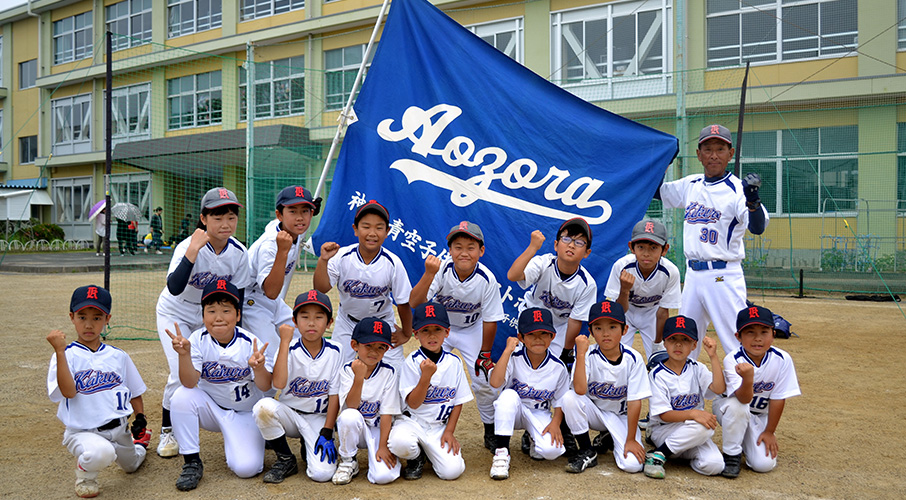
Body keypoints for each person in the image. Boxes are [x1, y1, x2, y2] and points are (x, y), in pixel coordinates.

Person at [154, 187, 252, 459]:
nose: (225, 224)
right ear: (203, 218)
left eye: (231, 217)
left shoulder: (239, 252)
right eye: (217, 217)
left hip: (210, 314)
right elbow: (174, 287)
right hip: (176, 311)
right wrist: (193, 251)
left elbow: (239, 295)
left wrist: (235, 327)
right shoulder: (188, 246)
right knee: (180, 371)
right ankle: (167, 429)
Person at [657, 124, 769, 359]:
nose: (714, 155)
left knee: (733, 339)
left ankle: (744, 392)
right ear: (699, 155)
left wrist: (753, 201)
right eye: (707, 149)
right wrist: (663, 158)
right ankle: (685, 393)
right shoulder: (691, 184)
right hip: (693, 276)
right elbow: (655, 191)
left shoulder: (739, 189)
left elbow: (757, 227)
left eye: (720, 149)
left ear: (731, 154)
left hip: (724, 275)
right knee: (684, 340)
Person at [166, 279, 272, 491]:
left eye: (226, 310)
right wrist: (184, 355)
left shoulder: (251, 343)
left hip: (245, 413)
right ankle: (192, 462)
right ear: (203, 315)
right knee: (180, 396)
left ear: (238, 315)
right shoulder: (197, 339)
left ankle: (255, 436)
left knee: (246, 468)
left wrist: (259, 368)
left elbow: (265, 386)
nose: (219, 318)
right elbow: (189, 382)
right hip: (212, 411)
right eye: (211, 310)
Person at [47, 285, 151, 498]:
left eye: (97, 318)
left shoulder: (118, 355)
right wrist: (59, 351)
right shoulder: (67, 355)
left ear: (107, 320)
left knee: (131, 466)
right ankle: (85, 477)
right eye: (82, 316)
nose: (89, 324)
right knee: (103, 453)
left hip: (120, 430)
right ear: (72, 317)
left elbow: (134, 390)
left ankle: (140, 443)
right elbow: (68, 392)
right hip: (83, 433)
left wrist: (140, 417)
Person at [409, 221, 505, 451]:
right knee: (425, 372)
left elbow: (491, 319)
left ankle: (490, 428)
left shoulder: (487, 279)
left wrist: (484, 353)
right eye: (458, 246)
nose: (464, 252)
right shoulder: (441, 271)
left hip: (472, 329)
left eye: (471, 247)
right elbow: (415, 302)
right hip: (441, 330)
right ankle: (414, 426)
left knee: (484, 380)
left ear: (481, 251)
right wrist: (429, 274)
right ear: (450, 250)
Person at [507, 217, 596, 453]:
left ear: (586, 252)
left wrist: (566, 353)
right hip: (531, 322)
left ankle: (555, 424)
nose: (571, 245)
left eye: (579, 242)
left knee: (558, 376)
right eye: (566, 238)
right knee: (524, 372)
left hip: (560, 331)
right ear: (556, 244)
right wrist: (533, 247)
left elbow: (576, 321)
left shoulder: (587, 283)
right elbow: (513, 275)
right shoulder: (544, 262)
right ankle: (526, 426)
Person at [252, 290, 342, 484]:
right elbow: (279, 384)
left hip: (318, 418)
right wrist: (284, 341)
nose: (311, 322)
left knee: (322, 474)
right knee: (263, 407)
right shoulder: (288, 347)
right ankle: (285, 458)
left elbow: (335, 395)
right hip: (290, 416)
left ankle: (307, 441)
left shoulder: (336, 351)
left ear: (329, 323)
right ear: (295, 321)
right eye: (305, 316)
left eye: (319, 317)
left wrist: (327, 430)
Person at [314, 200, 413, 366]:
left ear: (387, 231)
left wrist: (407, 333)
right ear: (355, 229)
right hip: (348, 322)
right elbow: (321, 288)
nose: (372, 233)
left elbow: (403, 302)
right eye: (366, 226)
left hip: (381, 322)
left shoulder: (392, 262)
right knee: (336, 369)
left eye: (379, 227)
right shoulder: (342, 257)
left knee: (396, 371)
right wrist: (323, 261)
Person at [561, 300, 651, 474]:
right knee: (569, 398)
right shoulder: (587, 354)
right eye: (598, 328)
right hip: (595, 413)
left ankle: (607, 437)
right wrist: (580, 353)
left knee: (632, 465)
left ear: (624, 330)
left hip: (621, 416)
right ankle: (587, 449)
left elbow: (634, 402)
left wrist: (631, 439)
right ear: (591, 332)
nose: (605, 334)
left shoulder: (633, 358)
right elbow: (579, 390)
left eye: (612, 327)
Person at [713, 305, 800, 478]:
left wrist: (769, 431)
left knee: (763, 464)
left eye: (764, 332)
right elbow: (743, 399)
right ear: (738, 337)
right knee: (738, 408)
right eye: (750, 332)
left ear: (773, 334)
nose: (757, 339)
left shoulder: (782, 359)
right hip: (730, 409)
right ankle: (732, 455)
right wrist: (748, 379)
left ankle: (746, 441)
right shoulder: (733, 359)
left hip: (760, 416)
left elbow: (778, 398)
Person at [388, 302, 472, 480]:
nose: (432, 335)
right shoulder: (411, 362)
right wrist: (425, 377)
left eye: (437, 329)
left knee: (452, 472)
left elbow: (458, 402)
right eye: (425, 330)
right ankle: (416, 457)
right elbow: (413, 403)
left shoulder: (454, 362)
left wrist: (449, 431)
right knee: (398, 443)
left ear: (447, 332)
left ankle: (430, 452)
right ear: (416, 334)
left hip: (438, 428)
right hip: (412, 422)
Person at [488, 308, 570, 480]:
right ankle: (502, 453)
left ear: (552, 337)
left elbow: (561, 400)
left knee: (551, 451)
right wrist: (507, 351)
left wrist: (556, 423)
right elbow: (495, 383)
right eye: (531, 334)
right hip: (513, 411)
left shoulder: (558, 367)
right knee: (508, 395)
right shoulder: (513, 357)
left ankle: (533, 438)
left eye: (544, 333)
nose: (538, 339)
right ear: (521, 337)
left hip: (539, 413)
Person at [644, 315, 726, 479]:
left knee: (715, 465)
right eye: (673, 338)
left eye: (685, 340)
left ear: (694, 345)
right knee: (704, 426)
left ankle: (670, 453)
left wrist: (713, 356)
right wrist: (694, 413)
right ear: (665, 343)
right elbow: (664, 415)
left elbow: (719, 388)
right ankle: (660, 453)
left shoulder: (697, 368)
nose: (678, 344)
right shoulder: (657, 374)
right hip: (664, 429)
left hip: (691, 433)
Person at [244, 186, 319, 360]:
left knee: (306, 339)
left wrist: (310, 211)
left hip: (272, 301)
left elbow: (301, 220)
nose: (300, 217)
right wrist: (282, 253)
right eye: (292, 211)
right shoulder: (270, 245)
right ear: (279, 215)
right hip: (250, 301)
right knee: (273, 354)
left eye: (305, 211)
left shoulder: (294, 228)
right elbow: (271, 292)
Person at [332, 317, 402, 485]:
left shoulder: (389, 372)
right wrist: (359, 378)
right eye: (368, 345)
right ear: (355, 345)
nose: (374, 352)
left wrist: (383, 446)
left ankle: (378, 456)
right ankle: (348, 461)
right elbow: (352, 406)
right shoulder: (347, 370)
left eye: (381, 347)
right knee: (349, 416)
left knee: (383, 477)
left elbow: (386, 414)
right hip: (354, 427)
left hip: (378, 428)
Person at [604, 219, 681, 360]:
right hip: (627, 311)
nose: (646, 253)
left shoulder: (671, 272)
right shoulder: (621, 266)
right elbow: (619, 311)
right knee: (616, 354)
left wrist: (658, 343)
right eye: (641, 247)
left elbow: (663, 312)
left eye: (653, 247)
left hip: (653, 312)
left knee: (659, 358)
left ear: (664, 249)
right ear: (632, 248)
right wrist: (624, 290)